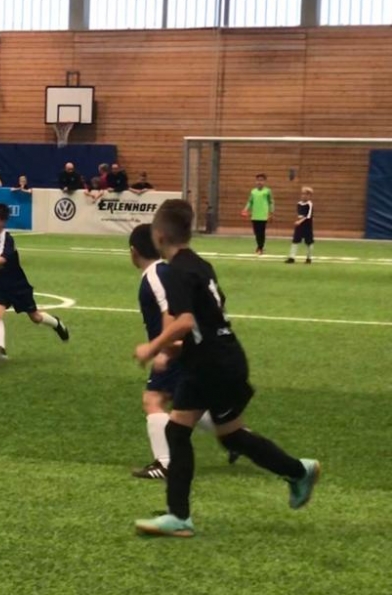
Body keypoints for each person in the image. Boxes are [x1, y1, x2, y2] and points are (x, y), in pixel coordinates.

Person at [132, 199, 319, 537]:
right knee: (220, 434)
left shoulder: (176, 271)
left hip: (213, 364)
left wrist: (152, 347)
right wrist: (173, 353)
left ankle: (180, 517)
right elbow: (203, 317)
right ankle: (297, 471)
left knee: (191, 433)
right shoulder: (199, 264)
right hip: (216, 359)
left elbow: (185, 321)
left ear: (159, 236)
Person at [128, 224, 239, 480]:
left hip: (178, 350)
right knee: (188, 403)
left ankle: (165, 462)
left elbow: (171, 312)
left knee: (153, 399)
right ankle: (237, 438)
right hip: (189, 348)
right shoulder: (166, 271)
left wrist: (164, 350)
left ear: (134, 252)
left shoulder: (155, 275)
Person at [0, 204, 70, 360]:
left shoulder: (6, 238)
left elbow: (2, 258)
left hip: (17, 284)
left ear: (3, 222)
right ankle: (0, 349)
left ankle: (56, 323)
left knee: (35, 317)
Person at [242, 173, 274, 255]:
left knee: (261, 232)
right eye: (258, 180)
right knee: (256, 233)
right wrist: (245, 209)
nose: (259, 182)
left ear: (265, 181)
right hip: (255, 215)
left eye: (261, 180)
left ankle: (260, 247)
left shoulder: (267, 191)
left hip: (263, 216)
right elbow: (250, 202)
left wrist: (271, 213)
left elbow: (271, 202)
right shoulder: (253, 191)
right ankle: (260, 246)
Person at [286, 187, 315, 264]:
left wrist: (300, 221)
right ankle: (292, 257)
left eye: (306, 194)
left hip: (307, 225)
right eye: (303, 194)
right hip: (299, 225)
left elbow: (308, 216)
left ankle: (309, 258)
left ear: (310, 196)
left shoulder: (309, 204)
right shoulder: (299, 204)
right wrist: (298, 221)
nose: (304, 196)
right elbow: (299, 214)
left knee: (309, 242)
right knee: (295, 240)